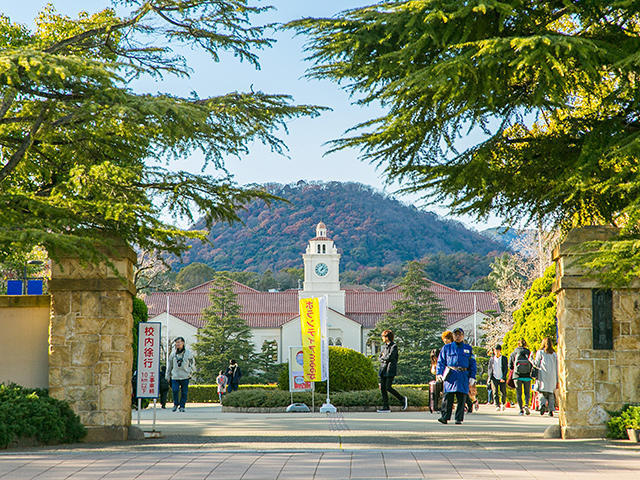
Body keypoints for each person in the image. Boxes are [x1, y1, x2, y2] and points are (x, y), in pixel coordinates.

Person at [436, 327, 477, 424]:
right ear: (453, 336)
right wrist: (439, 373)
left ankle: (459, 418)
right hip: (451, 374)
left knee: (461, 398)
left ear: (463, 336)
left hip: (463, 375)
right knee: (447, 397)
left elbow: (472, 363)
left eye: (460, 335)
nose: (458, 336)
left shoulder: (468, 349)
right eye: (456, 335)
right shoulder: (447, 348)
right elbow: (440, 362)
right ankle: (445, 417)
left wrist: (472, 376)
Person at [377, 329, 408, 413]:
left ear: (387, 337)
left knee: (388, 387)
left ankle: (402, 399)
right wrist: (384, 358)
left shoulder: (394, 346)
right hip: (383, 369)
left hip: (390, 370)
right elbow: (380, 357)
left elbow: (389, 357)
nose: (382, 338)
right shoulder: (384, 347)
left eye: (383, 336)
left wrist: (383, 357)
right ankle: (385, 407)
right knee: (383, 389)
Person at [166, 337, 195, 412]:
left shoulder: (188, 353)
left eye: (179, 342)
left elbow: (192, 364)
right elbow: (169, 366)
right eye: (176, 343)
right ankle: (175, 404)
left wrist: (191, 372)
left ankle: (182, 406)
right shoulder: (172, 354)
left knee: (184, 392)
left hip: (185, 376)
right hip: (175, 376)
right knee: (175, 390)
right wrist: (167, 375)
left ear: (183, 343)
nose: (178, 344)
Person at [532, 337, 558, 417]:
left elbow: (536, 364)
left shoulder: (540, 352)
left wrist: (531, 359)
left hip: (543, 375)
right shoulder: (554, 354)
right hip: (552, 377)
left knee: (542, 392)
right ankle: (551, 409)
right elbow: (557, 366)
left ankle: (542, 405)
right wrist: (557, 379)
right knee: (550, 394)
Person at [509, 338, 533, 415]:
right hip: (527, 375)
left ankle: (521, 410)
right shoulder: (528, 352)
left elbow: (510, 366)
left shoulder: (514, 353)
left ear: (518, 344)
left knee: (519, 393)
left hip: (517, 375)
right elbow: (532, 363)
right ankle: (526, 405)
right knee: (527, 392)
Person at [488, 344, 508, 411]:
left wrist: (504, 377)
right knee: (495, 392)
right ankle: (497, 405)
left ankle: (503, 403)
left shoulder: (504, 358)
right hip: (494, 377)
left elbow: (505, 368)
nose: (496, 352)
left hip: (502, 377)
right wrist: (490, 377)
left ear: (500, 350)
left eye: (498, 350)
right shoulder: (492, 359)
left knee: (503, 392)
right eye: (495, 350)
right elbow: (490, 368)